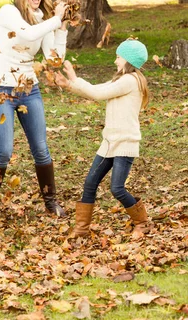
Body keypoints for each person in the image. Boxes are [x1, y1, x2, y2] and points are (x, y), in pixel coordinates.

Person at [0, 0, 68, 227]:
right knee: (3, 152)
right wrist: (56, 18)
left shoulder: (43, 18)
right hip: (1, 90)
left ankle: (51, 202)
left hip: (29, 90)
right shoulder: (8, 13)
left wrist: (61, 27)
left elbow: (54, 59)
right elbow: (28, 34)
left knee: (41, 149)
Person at [54, 39, 151, 239]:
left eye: (118, 57)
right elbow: (95, 89)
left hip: (124, 143)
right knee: (90, 183)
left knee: (117, 188)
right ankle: (81, 230)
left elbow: (98, 93)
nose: (115, 61)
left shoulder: (130, 80)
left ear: (128, 60)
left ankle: (142, 222)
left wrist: (73, 78)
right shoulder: (121, 80)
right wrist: (70, 84)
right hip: (110, 143)